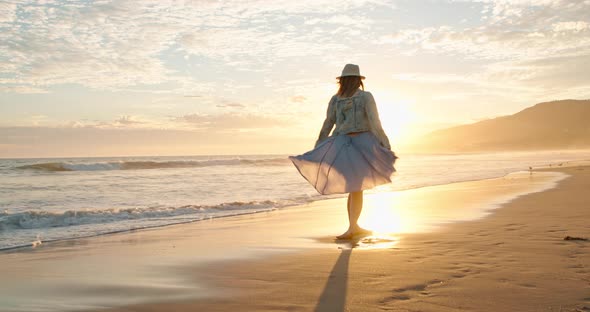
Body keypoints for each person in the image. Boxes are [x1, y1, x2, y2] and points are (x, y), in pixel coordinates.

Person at [289, 64, 397, 239]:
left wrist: (319, 146)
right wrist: (385, 143)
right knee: (357, 187)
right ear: (358, 80)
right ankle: (353, 227)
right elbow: (375, 122)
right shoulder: (365, 96)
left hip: (341, 145)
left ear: (343, 80)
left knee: (355, 187)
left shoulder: (335, 99)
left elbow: (328, 124)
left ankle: (353, 226)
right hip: (362, 143)